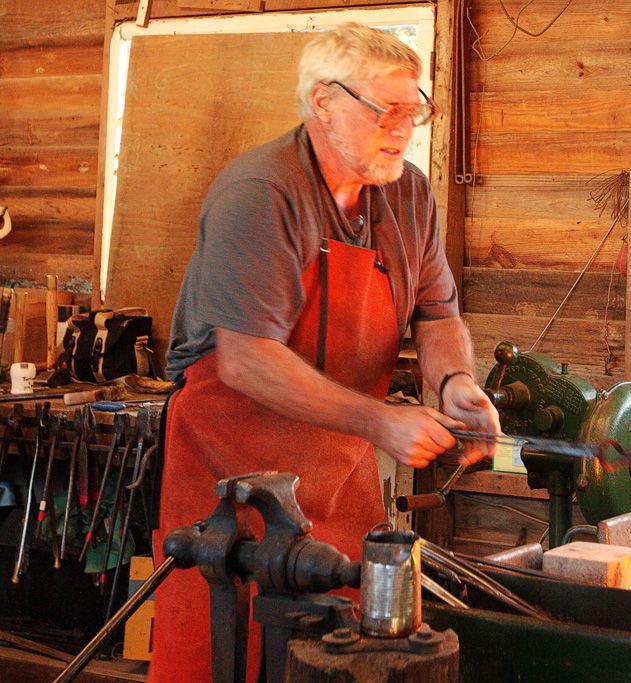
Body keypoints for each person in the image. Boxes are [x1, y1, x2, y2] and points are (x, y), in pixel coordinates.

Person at [148, 24, 500, 682]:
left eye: (412, 109)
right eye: (383, 110)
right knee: (223, 654)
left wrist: (454, 381)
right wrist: (380, 421)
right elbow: (246, 360)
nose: (403, 127)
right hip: (229, 477)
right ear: (322, 103)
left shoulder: (409, 194)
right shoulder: (262, 194)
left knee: (348, 655)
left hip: (338, 476)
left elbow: (437, 313)